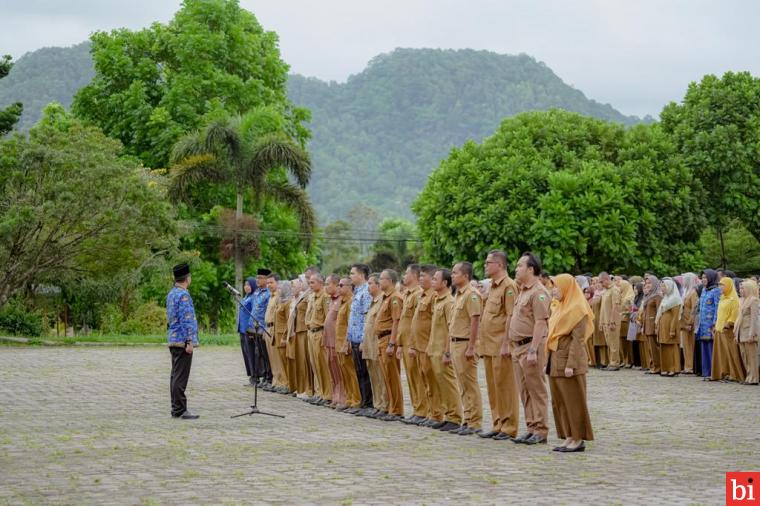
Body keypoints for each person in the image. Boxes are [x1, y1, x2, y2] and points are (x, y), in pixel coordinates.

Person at [545, 274, 594, 452]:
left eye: (556, 286)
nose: (553, 290)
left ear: (566, 287)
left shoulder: (578, 309)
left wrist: (571, 365)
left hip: (568, 362)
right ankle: (568, 436)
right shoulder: (558, 307)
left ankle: (578, 438)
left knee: (573, 401)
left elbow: (578, 340)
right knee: (560, 402)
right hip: (555, 359)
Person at [510, 252, 551, 445]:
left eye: (519, 266)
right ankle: (531, 427)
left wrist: (534, 349)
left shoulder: (538, 292)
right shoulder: (522, 291)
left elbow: (541, 322)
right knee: (524, 390)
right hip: (518, 347)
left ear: (531, 269)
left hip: (530, 346)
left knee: (536, 389)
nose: (516, 269)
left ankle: (541, 430)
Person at [478, 250, 520, 441]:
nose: (485, 265)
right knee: (493, 386)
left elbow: (511, 316)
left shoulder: (509, 286)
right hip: (488, 345)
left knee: (505, 387)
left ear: (500, 265)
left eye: (489, 263)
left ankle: (509, 426)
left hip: (500, 345)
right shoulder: (493, 287)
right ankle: (498, 423)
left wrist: (506, 344)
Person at [426, 268, 464, 432]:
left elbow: (451, 329)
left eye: (435, 279)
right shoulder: (438, 300)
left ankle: (455, 417)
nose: (432, 281)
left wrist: (448, 351)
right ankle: (448, 415)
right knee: (441, 383)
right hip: (434, 349)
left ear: (445, 283)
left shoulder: (449, 302)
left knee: (449, 383)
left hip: (443, 351)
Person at [448, 261, 483, 436]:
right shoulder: (458, 295)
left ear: (466, 276)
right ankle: (467, 419)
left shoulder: (472, 294)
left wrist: (471, 346)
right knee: (462, 384)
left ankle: (475, 422)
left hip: (465, 344)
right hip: (455, 343)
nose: (452, 275)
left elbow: (475, 321)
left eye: (455, 273)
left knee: (470, 384)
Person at [166, 263, 199, 419]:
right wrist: (189, 341)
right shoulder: (183, 295)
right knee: (180, 377)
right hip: (182, 341)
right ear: (187, 278)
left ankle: (175, 408)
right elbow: (186, 320)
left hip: (173, 339)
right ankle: (180, 409)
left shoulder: (172, 293)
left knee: (175, 375)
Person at [410, 264, 442, 427]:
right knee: (424, 381)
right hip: (419, 346)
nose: (421, 279)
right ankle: (428, 412)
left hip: (428, 346)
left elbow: (433, 324)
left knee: (432, 381)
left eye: (424, 276)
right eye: (420, 276)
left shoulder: (433, 297)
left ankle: (436, 413)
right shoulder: (421, 296)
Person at [397, 264, 427, 425]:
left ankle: (423, 410)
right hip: (406, 342)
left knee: (418, 377)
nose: (404, 276)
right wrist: (400, 344)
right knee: (410, 378)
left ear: (414, 276)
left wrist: (413, 344)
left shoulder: (417, 294)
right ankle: (417, 409)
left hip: (413, 342)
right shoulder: (407, 294)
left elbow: (417, 322)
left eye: (407, 273)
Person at [377, 269, 404, 421]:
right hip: (381, 339)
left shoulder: (395, 298)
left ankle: (397, 409)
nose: (380, 281)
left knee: (392, 375)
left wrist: (392, 343)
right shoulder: (385, 297)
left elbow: (396, 321)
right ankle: (390, 406)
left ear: (390, 281)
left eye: (382, 278)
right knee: (386, 376)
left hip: (388, 339)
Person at [347, 264, 374, 414]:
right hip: (354, 339)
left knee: (365, 373)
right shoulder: (357, 292)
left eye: (353, 273)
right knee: (359, 372)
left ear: (362, 275)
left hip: (361, 339)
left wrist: (364, 339)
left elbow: (366, 317)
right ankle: (363, 402)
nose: (350, 276)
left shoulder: (366, 292)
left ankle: (368, 404)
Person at [362, 273, 388, 419]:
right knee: (374, 376)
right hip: (368, 344)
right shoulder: (372, 302)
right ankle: (378, 405)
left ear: (378, 285)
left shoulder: (382, 301)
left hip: (377, 343)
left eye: (371, 283)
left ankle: (384, 405)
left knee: (381, 376)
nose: (368, 286)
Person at [305, 274, 333, 405]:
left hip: (320, 332)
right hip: (311, 332)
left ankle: (328, 394)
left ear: (321, 283)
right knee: (315, 364)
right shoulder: (311, 296)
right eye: (309, 282)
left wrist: (326, 337)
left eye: (312, 282)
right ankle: (320, 392)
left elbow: (328, 319)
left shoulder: (325, 297)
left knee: (323, 365)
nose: (310, 285)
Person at [712, 277, 745, 382]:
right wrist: (716, 325)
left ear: (729, 286)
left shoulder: (733, 299)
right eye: (719, 285)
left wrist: (729, 323)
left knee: (731, 353)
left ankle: (734, 374)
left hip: (728, 330)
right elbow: (720, 313)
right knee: (722, 354)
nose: (720, 287)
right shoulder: (722, 297)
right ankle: (724, 372)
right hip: (719, 329)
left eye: (723, 285)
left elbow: (734, 313)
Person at [336, 277, 362, 411]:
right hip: (339, 342)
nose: (338, 287)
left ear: (349, 287)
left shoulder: (351, 302)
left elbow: (350, 324)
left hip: (345, 343)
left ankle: (356, 400)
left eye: (341, 285)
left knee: (351, 373)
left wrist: (347, 342)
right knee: (345, 373)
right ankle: (349, 398)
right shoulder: (342, 302)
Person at [323, 275, 345, 408]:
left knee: (340, 370)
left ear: (337, 285)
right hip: (328, 341)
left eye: (328, 284)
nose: (326, 286)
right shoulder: (330, 300)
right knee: (332, 369)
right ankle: (335, 394)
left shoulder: (342, 300)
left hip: (337, 341)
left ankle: (342, 396)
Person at [655, 278, 682, 377]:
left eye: (664, 286)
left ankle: (674, 368)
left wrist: (672, 330)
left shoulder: (675, 299)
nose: (662, 288)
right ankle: (665, 368)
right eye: (661, 286)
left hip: (670, 327)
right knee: (664, 347)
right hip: (663, 327)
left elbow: (675, 316)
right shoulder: (665, 298)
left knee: (671, 348)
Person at [264, 273, 286, 393]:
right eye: (267, 283)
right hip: (267, 328)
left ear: (277, 283)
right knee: (272, 358)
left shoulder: (279, 297)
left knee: (278, 357)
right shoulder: (271, 296)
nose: (269, 285)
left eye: (271, 282)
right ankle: (276, 380)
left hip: (275, 329)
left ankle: (283, 382)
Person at [697, 269, 721, 379]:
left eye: (705, 278)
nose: (703, 280)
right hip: (702, 324)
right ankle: (705, 372)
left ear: (711, 278)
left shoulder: (716, 290)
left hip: (711, 325)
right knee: (704, 348)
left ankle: (713, 372)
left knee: (711, 349)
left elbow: (717, 307)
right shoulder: (704, 290)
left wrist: (715, 323)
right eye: (702, 278)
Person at [735, 279, 759, 385]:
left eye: (743, 288)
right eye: (740, 288)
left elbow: (754, 319)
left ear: (749, 289)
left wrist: (752, 334)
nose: (741, 290)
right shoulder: (741, 300)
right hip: (741, 332)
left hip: (749, 331)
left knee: (752, 356)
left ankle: (754, 378)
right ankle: (748, 376)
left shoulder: (754, 300)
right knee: (744, 355)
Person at [251, 268, 273, 387]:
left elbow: (267, 312)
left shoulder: (268, 293)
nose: (257, 280)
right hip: (255, 328)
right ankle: (264, 376)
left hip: (264, 328)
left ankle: (269, 377)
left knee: (266, 354)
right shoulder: (256, 292)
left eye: (260, 278)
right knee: (259, 354)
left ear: (266, 279)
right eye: (256, 277)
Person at [638, 275, 662, 374]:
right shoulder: (648, 296)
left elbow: (659, 312)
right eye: (646, 283)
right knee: (650, 348)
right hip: (647, 324)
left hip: (653, 324)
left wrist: (657, 325)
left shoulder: (657, 296)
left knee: (654, 347)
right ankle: (652, 366)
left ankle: (658, 367)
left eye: (650, 283)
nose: (648, 285)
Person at [599, 272, 622, 371]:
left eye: (601, 282)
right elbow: (603, 308)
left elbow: (615, 307)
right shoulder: (605, 291)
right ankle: (611, 361)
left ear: (607, 279)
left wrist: (612, 321)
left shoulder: (614, 290)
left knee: (614, 343)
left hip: (612, 321)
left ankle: (615, 363)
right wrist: (601, 321)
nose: (600, 284)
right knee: (609, 343)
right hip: (605, 321)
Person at [274, 280, 293, 393]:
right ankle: (285, 382)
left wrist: (285, 336)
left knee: (286, 361)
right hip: (277, 334)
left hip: (283, 335)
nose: (278, 290)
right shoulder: (280, 302)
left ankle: (289, 383)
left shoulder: (287, 303)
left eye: (280, 288)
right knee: (281, 360)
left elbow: (288, 321)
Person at [679, 273, 700, 374]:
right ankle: (686, 366)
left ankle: (690, 366)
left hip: (689, 323)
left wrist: (690, 322)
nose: (683, 282)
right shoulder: (685, 292)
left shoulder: (693, 293)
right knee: (685, 346)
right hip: (683, 322)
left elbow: (694, 309)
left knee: (690, 345)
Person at [237, 277, 256, 385]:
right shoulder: (246, 297)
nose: (246, 287)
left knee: (251, 353)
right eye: (245, 285)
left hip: (248, 329)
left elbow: (253, 314)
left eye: (248, 285)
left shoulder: (253, 298)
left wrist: (251, 329)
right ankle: (250, 375)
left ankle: (255, 376)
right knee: (246, 353)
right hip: (242, 329)